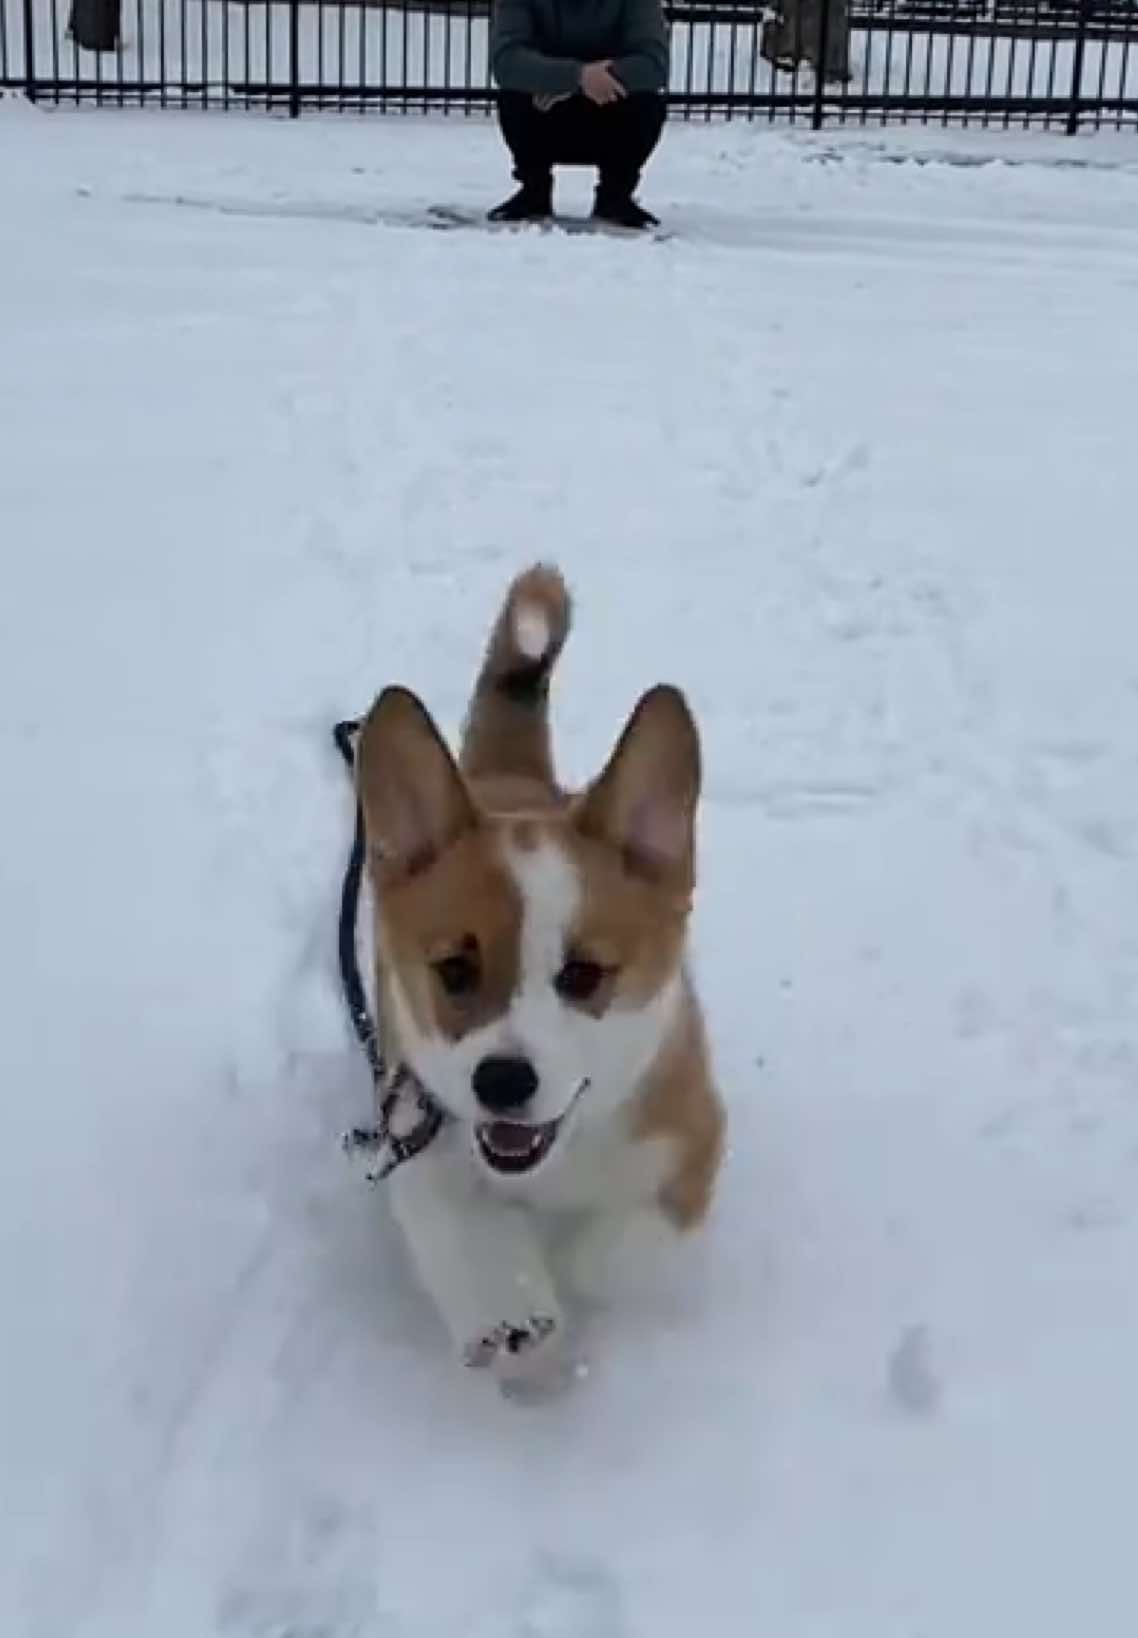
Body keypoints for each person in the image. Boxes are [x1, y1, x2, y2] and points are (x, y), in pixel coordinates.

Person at [488, 0, 669, 231]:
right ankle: (534, 190)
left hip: (610, 110)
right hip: (543, 112)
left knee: (647, 103)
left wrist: (589, 81)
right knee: (513, 97)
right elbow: (507, 60)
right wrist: (577, 77)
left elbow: (654, 63)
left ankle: (615, 195)